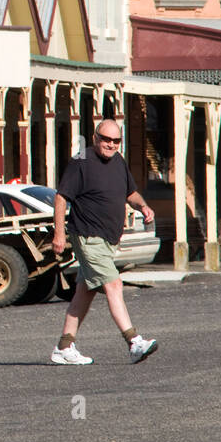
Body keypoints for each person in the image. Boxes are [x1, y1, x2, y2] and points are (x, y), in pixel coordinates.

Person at [50, 118, 159, 365]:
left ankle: (63, 347)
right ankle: (134, 342)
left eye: (116, 140)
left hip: (108, 241)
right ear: (95, 138)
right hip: (88, 236)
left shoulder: (118, 162)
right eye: (106, 139)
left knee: (84, 292)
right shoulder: (82, 161)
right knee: (114, 284)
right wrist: (59, 234)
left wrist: (142, 206)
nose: (111, 144)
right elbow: (60, 198)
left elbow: (130, 193)